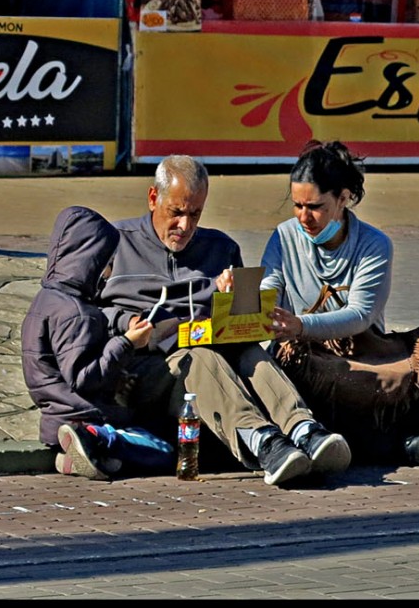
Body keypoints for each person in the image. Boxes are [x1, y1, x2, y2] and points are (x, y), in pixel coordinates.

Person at [100, 155, 351, 487]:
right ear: (152, 199)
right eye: (176, 213)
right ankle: (263, 441)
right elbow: (87, 312)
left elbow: (241, 322)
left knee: (250, 352)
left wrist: (231, 301)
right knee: (198, 358)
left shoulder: (221, 247)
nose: (185, 226)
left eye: (195, 214)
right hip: (151, 367)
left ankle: (304, 429)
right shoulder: (115, 242)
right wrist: (124, 323)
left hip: (212, 356)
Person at [260, 140, 419, 466]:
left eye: (315, 206)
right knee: (282, 386)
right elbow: (268, 291)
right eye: (297, 205)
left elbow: (360, 315)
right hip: (310, 364)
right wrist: (239, 295)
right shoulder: (284, 235)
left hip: (363, 363)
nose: (304, 217)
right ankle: (397, 447)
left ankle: (343, 445)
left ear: (343, 198)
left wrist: (301, 325)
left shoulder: (375, 245)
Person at [21, 205, 176, 481]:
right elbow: (84, 377)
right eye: (107, 261)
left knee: (128, 451)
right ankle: (96, 439)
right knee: (164, 451)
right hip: (83, 417)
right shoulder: (78, 313)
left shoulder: (45, 301)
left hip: (55, 416)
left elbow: (66, 369)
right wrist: (127, 343)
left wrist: (117, 376)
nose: (109, 271)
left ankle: (88, 454)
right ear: (90, 260)